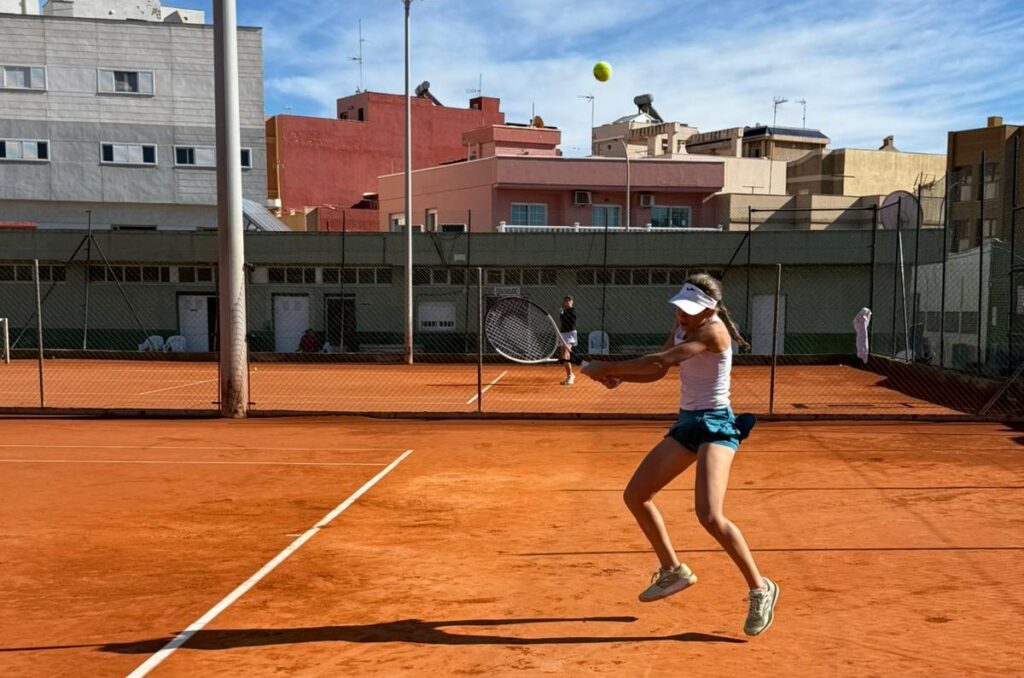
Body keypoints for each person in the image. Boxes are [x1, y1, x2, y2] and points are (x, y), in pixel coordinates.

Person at [581, 274, 779, 637]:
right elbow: (658, 369)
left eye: (691, 311)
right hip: (688, 425)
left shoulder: (713, 333)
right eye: (680, 309)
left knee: (709, 515)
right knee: (636, 495)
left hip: (717, 426)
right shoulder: (683, 326)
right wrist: (621, 378)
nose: (683, 316)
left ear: (711, 310)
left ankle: (760, 589)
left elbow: (666, 359)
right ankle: (673, 571)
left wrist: (608, 366)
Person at [558, 296, 578, 385]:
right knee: (563, 356)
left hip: (570, 334)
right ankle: (569, 375)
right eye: (566, 300)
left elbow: (570, 321)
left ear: (572, 302)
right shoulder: (563, 311)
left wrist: (563, 313)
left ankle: (571, 376)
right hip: (563, 334)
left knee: (566, 355)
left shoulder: (572, 311)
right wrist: (562, 312)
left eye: (569, 300)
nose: (568, 302)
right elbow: (562, 321)